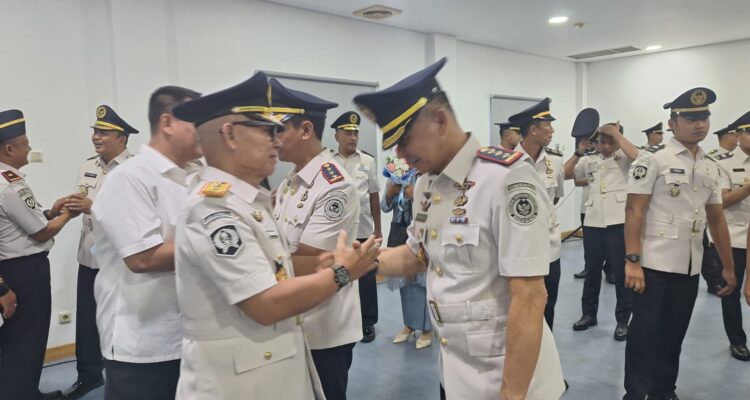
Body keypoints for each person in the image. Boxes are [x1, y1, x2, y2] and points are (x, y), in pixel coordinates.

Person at [354, 57, 565, 400]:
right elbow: (416, 255)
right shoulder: (428, 184)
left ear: (440, 120)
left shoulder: (507, 178)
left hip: (506, 376)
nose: (399, 153)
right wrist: (359, 262)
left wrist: (512, 394)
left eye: (404, 139)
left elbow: (530, 297)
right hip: (455, 368)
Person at [170, 71, 381, 399]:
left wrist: (326, 264)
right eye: (267, 130)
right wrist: (342, 271)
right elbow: (265, 303)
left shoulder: (249, 199)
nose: (277, 140)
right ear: (230, 135)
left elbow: (279, 267)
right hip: (236, 381)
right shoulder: (213, 210)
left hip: (270, 363)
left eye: (278, 130)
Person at [623, 87, 737, 400]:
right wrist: (632, 261)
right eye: (691, 119)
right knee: (644, 335)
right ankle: (635, 394)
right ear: (672, 123)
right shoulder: (653, 160)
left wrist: (727, 266)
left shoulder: (711, 165)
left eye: (704, 117)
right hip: (652, 264)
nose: (699, 124)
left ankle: (664, 391)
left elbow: (716, 219)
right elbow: (634, 210)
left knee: (674, 334)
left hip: (689, 266)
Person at [91, 86, 202, 400]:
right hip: (143, 343)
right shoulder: (130, 177)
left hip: (189, 333)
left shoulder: (196, 175)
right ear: (167, 123)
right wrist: (219, 238)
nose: (206, 130)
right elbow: (143, 258)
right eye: (198, 121)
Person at [270, 78, 361, 400]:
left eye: (279, 130)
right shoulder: (292, 180)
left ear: (306, 130)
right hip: (294, 316)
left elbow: (313, 262)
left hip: (323, 328)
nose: (272, 139)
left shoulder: (334, 185)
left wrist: (249, 261)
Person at [60, 105, 137, 399]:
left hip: (120, 259)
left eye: (103, 132)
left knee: (122, 320)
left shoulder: (134, 169)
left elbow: (134, 215)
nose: (96, 137)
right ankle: (89, 376)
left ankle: (126, 377)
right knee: (87, 320)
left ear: (122, 138)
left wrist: (93, 208)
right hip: (89, 256)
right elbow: (81, 198)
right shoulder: (88, 166)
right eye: (95, 131)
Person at [0, 109, 77, 400]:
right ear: (10, 149)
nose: (29, 148)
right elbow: (41, 233)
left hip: (15, 269)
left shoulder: (7, 181)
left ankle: (25, 391)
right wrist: (69, 214)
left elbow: (22, 223)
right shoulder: (9, 185)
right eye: (25, 143)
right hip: (24, 271)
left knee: (21, 337)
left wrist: (52, 212)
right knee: (26, 337)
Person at [569, 123, 639, 340]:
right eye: (602, 142)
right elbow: (566, 175)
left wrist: (617, 134)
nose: (606, 147)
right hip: (593, 222)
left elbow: (638, 158)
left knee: (620, 274)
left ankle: (622, 320)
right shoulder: (589, 159)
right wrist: (578, 151)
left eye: (611, 142)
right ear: (596, 143)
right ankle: (589, 314)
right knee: (592, 271)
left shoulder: (626, 158)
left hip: (618, 223)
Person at [508, 98, 564, 330]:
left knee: (548, 304)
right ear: (533, 130)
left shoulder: (555, 161)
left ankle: (545, 349)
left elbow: (555, 197)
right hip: (518, 249)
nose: (552, 130)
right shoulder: (506, 164)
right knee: (519, 305)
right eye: (547, 125)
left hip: (549, 247)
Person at [330, 111, 382, 343]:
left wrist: (378, 230)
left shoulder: (367, 161)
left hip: (363, 230)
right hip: (337, 233)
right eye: (348, 133)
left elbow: (374, 196)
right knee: (339, 275)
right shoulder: (329, 162)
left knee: (367, 277)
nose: (353, 137)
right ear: (337, 136)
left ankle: (367, 322)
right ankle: (341, 320)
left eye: (355, 133)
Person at [710, 110, 750, 361]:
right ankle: (737, 340)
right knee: (731, 290)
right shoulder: (722, 163)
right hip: (733, 238)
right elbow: (722, 201)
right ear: (738, 135)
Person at [382, 166, 433, 349]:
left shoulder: (428, 174)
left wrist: (416, 196)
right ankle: (409, 324)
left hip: (422, 232)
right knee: (405, 282)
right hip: (399, 231)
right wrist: (390, 193)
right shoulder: (396, 173)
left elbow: (437, 207)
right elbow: (385, 207)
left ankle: (427, 329)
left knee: (423, 282)